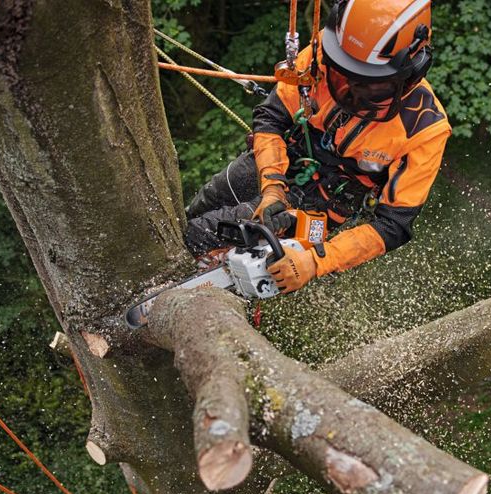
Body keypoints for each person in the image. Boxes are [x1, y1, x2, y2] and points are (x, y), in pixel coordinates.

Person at [184, 0, 451, 294]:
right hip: (278, 159)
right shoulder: (327, 52)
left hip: (323, 200)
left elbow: (393, 226)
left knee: (201, 234)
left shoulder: (424, 129)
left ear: (410, 73)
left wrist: (316, 261)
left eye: (370, 84)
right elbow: (271, 116)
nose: (351, 90)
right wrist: (273, 187)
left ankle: (189, 292)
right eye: (343, 75)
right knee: (196, 209)